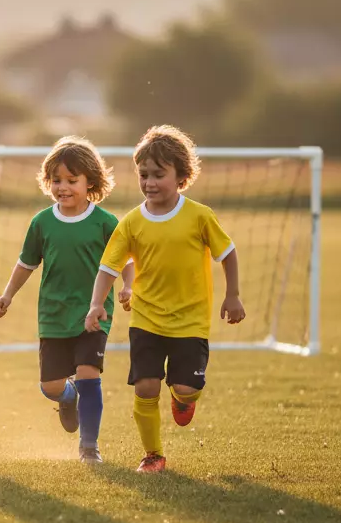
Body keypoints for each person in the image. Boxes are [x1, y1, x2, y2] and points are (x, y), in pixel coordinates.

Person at [85, 124, 246, 473]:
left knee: (186, 388)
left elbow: (228, 254)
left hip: (191, 320)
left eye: (159, 174)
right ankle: (153, 455)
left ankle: (183, 399)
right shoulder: (131, 222)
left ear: (182, 176)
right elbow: (109, 266)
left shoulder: (200, 216)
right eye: (144, 175)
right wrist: (97, 303)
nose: (150, 182)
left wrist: (233, 295)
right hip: (146, 319)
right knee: (144, 387)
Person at [0, 137, 133, 463]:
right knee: (51, 386)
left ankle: (89, 446)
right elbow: (27, 263)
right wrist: (7, 295)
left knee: (88, 374)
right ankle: (66, 398)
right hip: (53, 315)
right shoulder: (42, 223)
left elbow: (124, 259)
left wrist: (128, 286)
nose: (63, 187)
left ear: (91, 183)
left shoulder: (105, 222)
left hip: (93, 313)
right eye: (57, 180)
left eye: (72, 180)